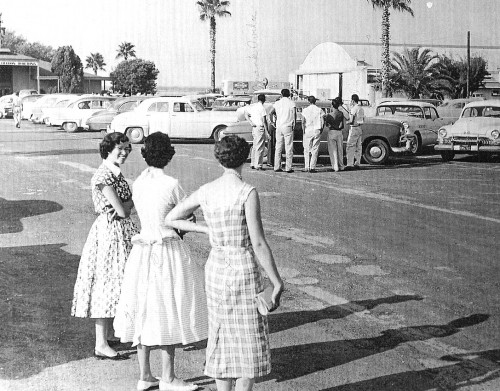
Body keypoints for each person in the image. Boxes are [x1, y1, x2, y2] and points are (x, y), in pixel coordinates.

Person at [165, 135, 284, 391]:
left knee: (221, 335)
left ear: (218, 159)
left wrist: (205, 229)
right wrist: (276, 281)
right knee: (247, 336)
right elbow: (259, 243)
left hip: (216, 266)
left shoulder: (206, 190)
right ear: (246, 158)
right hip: (243, 267)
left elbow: (172, 218)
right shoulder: (247, 192)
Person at [114, 132, 207, 391]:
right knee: (170, 307)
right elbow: (186, 216)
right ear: (168, 154)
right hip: (167, 250)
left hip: (142, 250)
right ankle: (167, 377)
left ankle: (145, 375)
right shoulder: (172, 183)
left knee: (143, 307)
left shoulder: (139, 182)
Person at [71, 132, 137, 360]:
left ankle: (108, 334)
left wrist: (127, 204)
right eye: (120, 148)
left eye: (128, 148)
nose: (125, 152)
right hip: (109, 234)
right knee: (106, 283)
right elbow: (122, 210)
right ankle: (100, 343)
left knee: (117, 282)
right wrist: (128, 203)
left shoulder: (115, 174)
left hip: (120, 232)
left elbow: (126, 206)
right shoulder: (103, 175)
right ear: (108, 149)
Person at [271, 88, 296, 173]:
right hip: (288, 126)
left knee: (278, 147)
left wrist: (273, 122)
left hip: (279, 126)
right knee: (288, 147)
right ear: (289, 94)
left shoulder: (277, 103)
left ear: (281, 94)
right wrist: (294, 125)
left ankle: (276, 166)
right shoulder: (291, 103)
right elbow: (294, 115)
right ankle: (288, 167)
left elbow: (271, 112)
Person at [244, 94, 268, 170]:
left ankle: (253, 163)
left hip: (254, 127)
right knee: (260, 147)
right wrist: (267, 131)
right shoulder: (262, 108)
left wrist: (250, 122)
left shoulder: (253, 106)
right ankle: (258, 165)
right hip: (260, 127)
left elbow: (246, 113)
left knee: (255, 146)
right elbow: (264, 121)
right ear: (264, 100)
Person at [301, 96, 324, 173]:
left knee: (307, 149)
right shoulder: (319, 110)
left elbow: (303, 121)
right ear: (315, 101)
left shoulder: (305, 110)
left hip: (308, 130)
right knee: (315, 149)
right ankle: (312, 167)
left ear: (308, 101)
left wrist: (303, 130)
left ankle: (306, 166)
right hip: (316, 129)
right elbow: (322, 121)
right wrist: (321, 130)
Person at [324, 97, 346, 172]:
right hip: (339, 132)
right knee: (340, 149)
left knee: (333, 150)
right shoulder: (341, 113)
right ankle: (341, 165)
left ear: (332, 106)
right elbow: (342, 125)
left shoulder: (329, 115)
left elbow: (327, 125)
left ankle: (335, 165)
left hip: (332, 132)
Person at [345, 94, 365, 170]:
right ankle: (357, 162)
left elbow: (351, 120)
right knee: (358, 146)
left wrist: (346, 122)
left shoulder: (354, 109)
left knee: (350, 146)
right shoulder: (361, 108)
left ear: (352, 100)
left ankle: (349, 164)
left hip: (353, 128)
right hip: (359, 127)